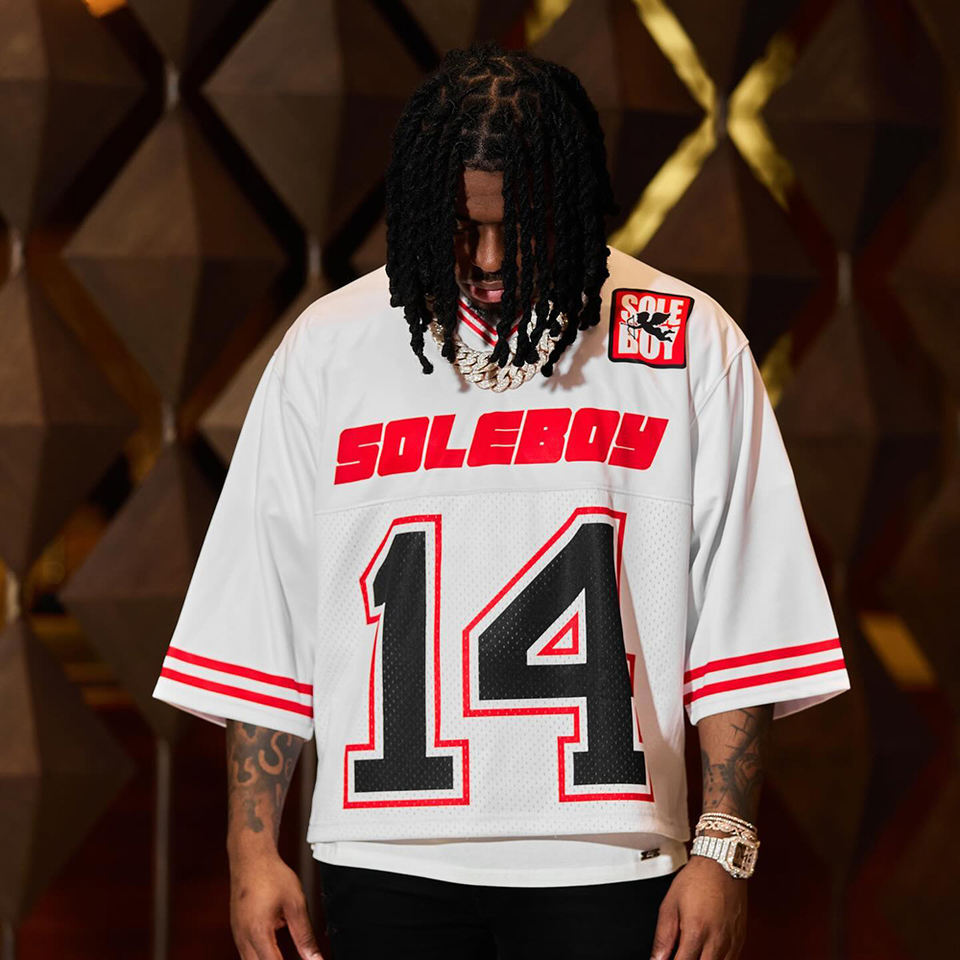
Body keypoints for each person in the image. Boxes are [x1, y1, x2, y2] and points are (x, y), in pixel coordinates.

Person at [152, 43, 851, 960]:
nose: (485, 258)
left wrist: (724, 851)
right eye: (460, 225)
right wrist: (252, 852)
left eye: (515, 227)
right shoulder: (329, 347)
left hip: (610, 857)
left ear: (570, 200)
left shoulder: (688, 342)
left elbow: (742, 619)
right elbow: (266, 618)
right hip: (382, 853)